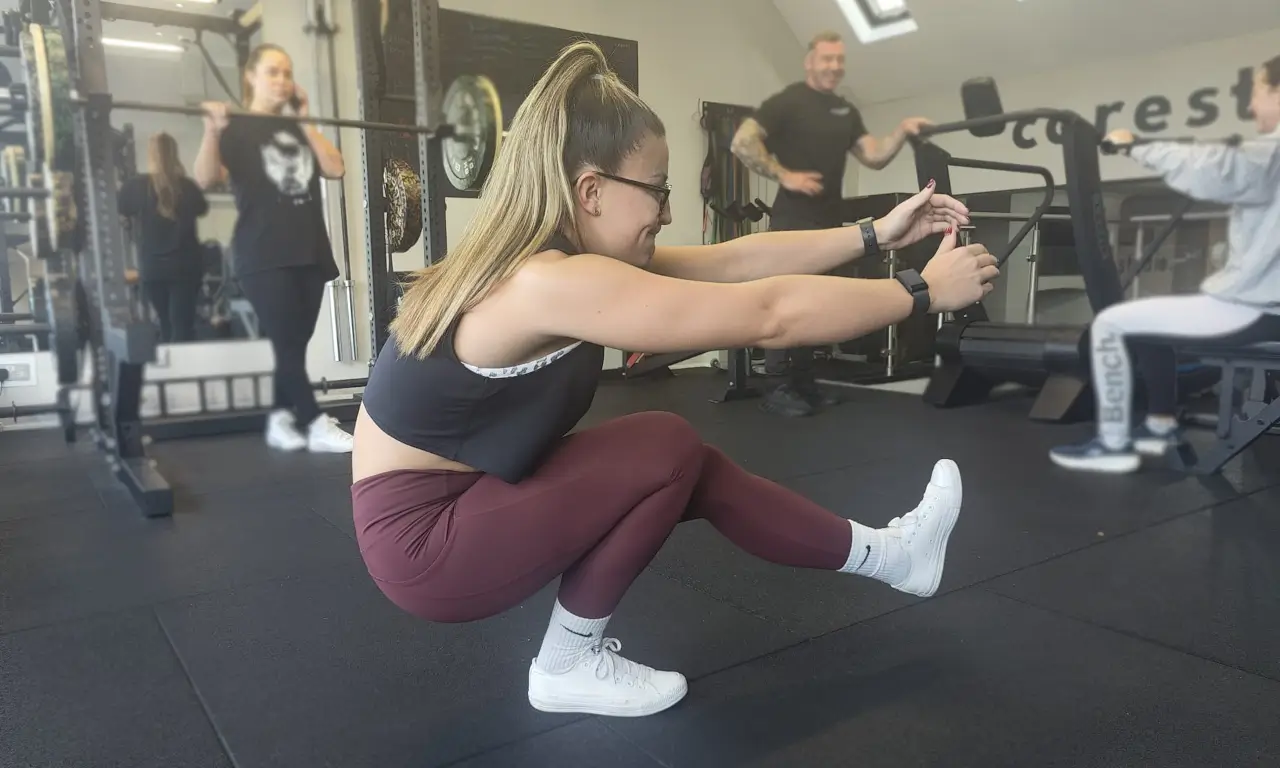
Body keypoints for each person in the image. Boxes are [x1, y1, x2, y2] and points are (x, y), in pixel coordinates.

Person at [351, 41, 999, 719]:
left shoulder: (552, 257)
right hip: (426, 545)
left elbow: (734, 261)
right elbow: (768, 314)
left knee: (695, 468)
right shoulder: (548, 282)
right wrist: (920, 292)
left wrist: (875, 233)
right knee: (663, 446)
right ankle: (566, 663)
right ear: (591, 191)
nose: (664, 211)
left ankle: (895, 556)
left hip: (462, 498)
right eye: (656, 191)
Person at [1050, 54, 1280, 474]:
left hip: (1254, 310)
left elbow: (1210, 169)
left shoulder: (1271, 153)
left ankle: (1114, 444)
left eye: (1259, 92)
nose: (1251, 107)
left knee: (1110, 323)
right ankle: (1159, 424)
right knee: (1151, 324)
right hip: (1263, 307)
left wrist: (1135, 145)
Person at [731, 30, 933, 417]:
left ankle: (805, 384)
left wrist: (903, 130)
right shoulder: (787, 102)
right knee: (784, 301)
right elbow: (743, 142)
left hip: (829, 223)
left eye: (840, 60)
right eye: (827, 59)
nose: (835, 67)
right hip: (792, 220)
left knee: (814, 303)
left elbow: (873, 156)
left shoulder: (845, 111)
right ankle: (777, 387)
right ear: (810, 62)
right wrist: (783, 175)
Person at [193, 43, 353, 454]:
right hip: (263, 253)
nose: (281, 81)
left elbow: (335, 168)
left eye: (286, 72)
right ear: (251, 76)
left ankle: (280, 417)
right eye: (272, 72)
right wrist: (211, 131)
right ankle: (315, 423)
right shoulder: (234, 126)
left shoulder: (297, 128)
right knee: (286, 341)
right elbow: (206, 179)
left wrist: (306, 120)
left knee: (293, 343)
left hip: (310, 248)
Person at [118, 133, 208, 343]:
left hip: (153, 267)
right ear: (174, 154)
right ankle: (187, 370)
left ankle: (173, 370)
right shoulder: (189, 187)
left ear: (150, 155)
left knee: (166, 324)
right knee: (183, 325)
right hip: (185, 267)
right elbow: (202, 209)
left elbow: (122, 213)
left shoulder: (135, 186)